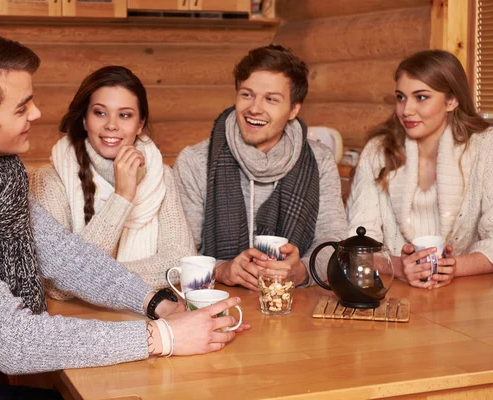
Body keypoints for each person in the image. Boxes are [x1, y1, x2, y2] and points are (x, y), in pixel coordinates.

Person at [0, 31, 246, 400]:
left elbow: (67, 255)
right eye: (21, 107)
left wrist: (158, 304)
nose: (37, 113)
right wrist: (162, 337)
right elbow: (12, 341)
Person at [173, 44, 347, 291]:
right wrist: (222, 270)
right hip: (218, 305)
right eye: (247, 94)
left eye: (271, 99)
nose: (254, 108)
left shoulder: (319, 160)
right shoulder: (194, 161)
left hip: (294, 307)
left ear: (293, 110)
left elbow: (333, 242)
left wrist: (302, 270)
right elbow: (179, 251)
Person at [30, 66, 196, 300]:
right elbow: (58, 285)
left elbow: (181, 261)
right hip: (79, 323)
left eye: (125, 115)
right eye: (100, 113)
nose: (111, 125)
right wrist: (122, 197)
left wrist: (97, 279)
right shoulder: (50, 179)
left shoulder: (161, 175)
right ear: (85, 120)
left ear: (140, 124)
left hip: (149, 316)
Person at [346, 49, 493, 289]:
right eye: (401, 97)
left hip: (465, 295)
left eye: (421, 97)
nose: (407, 110)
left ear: (452, 100)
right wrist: (396, 266)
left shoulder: (486, 147)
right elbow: (356, 244)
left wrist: (455, 267)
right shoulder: (379, 151)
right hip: (391, 290)